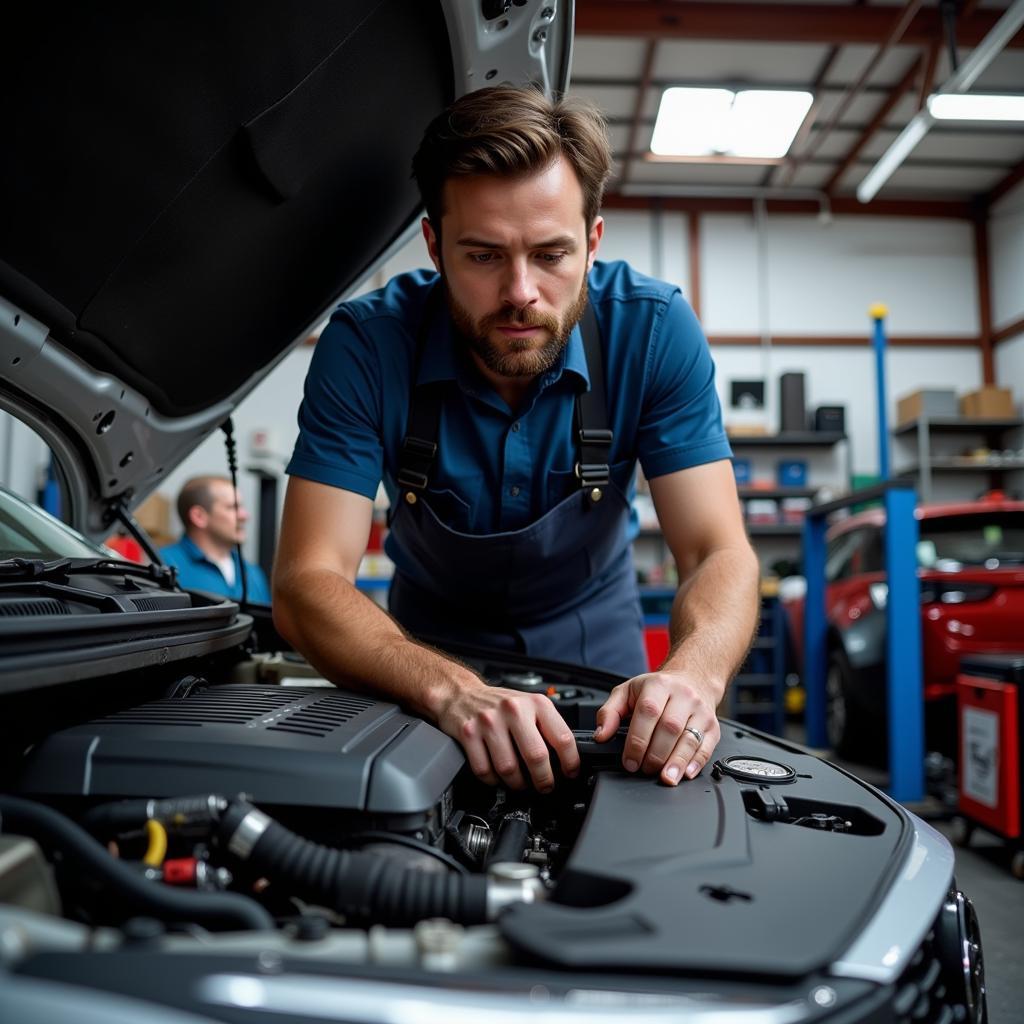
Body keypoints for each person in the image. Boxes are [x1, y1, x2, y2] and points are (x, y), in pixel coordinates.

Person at [273, 85, 760, 792]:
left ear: (592, 242)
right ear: (435, 245)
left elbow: (719, 550)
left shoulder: (652, 331)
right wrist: (445, 689)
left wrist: (693, 674)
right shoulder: (368, 345)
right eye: (483, 256)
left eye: (551, 254)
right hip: (421, 661)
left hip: (600, 657)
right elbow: (306, 580)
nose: (520, 292)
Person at [161, 476, 271, 603]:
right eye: (232, 507)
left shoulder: (252, 572)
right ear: (199, 516)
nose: (244, 516)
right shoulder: (164, 566)